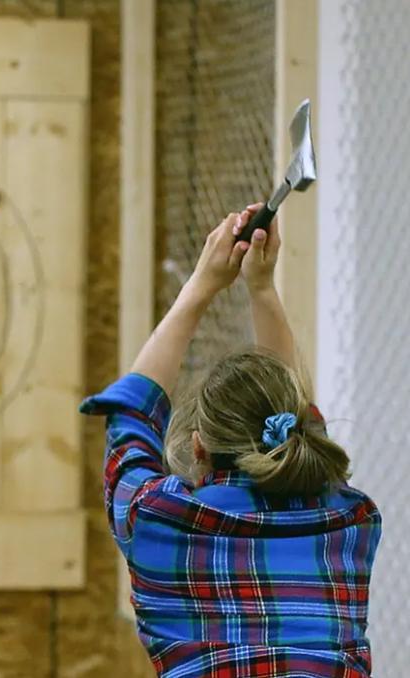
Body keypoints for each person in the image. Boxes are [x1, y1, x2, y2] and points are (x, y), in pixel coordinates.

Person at [80, 205, 381, 677]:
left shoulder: (155, 517)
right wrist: (262, 287)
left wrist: (200, 287)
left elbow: (131, 414)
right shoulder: (350, 522)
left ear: (198, 446)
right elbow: (300, 428)